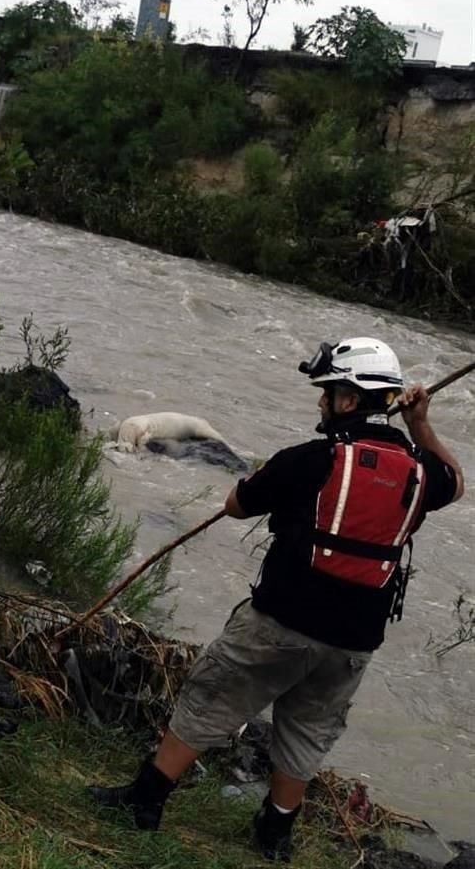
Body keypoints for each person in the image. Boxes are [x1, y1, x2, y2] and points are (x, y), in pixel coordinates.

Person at [88, 337, 464, 862]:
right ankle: (275, 834)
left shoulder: (312, 458)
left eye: (327, 393)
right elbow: (458, 483)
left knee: (212, 694)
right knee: (308, 731)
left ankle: (145, 800)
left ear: (350, 401)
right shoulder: (423, 474)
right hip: (355, 641)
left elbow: (237, 504)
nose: (320, 402)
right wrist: (420, 422)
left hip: (281, 622)